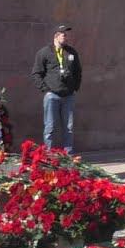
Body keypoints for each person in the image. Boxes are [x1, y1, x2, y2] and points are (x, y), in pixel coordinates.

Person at [31, 24, 82, 152]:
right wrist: (45, 89)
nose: (67, 37)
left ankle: (68, 154)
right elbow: (36, 73)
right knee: (50, 127)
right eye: (64, 35)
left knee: (68, 127)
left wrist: (74, 87)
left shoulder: (71, 52)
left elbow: (78, 71)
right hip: (52, 95)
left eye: (67, 35)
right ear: (56, 36)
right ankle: (49, 155)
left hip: (68, 95)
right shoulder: (44, 52)